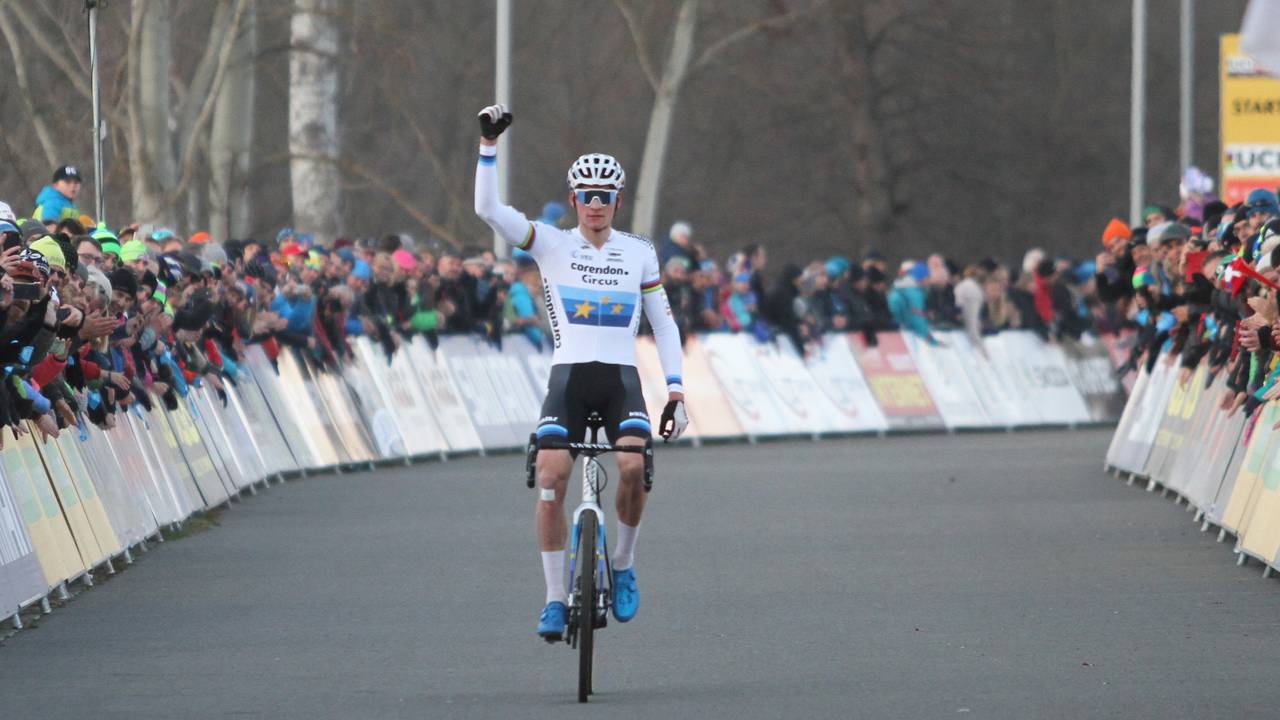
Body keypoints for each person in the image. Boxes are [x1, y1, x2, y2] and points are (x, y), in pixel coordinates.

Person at [473, 104, 688, 641]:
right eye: (587, 195)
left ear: (617, 201)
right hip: (568, 380)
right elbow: (488, 209)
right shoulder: (552, 242)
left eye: (605, 196)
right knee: (550, 476)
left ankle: (622, 562)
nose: (596, 205)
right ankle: (551, 597)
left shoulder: (638, 252)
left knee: (634, 468)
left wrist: (677, 390)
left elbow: (663, 323)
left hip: (620, 380)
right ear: (573, 200)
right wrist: (487, 146)